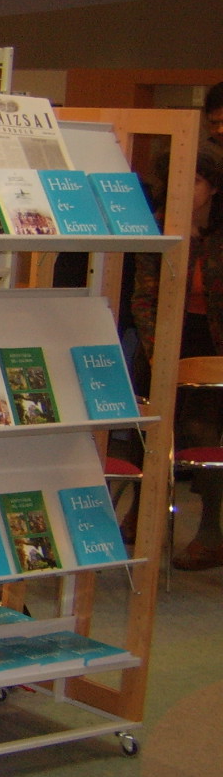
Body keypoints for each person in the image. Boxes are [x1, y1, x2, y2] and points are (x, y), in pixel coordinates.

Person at [134, 138, 223, 568]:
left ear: (215, 186)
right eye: (178, 182)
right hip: (167, 337)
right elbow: (143, 298)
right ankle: (139, 512)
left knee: (202, 429)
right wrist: (157, 352)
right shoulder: (158, 228)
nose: (186, 191)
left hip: (212, 342)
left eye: (197, 181)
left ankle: (210, 528)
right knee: (144, 422)